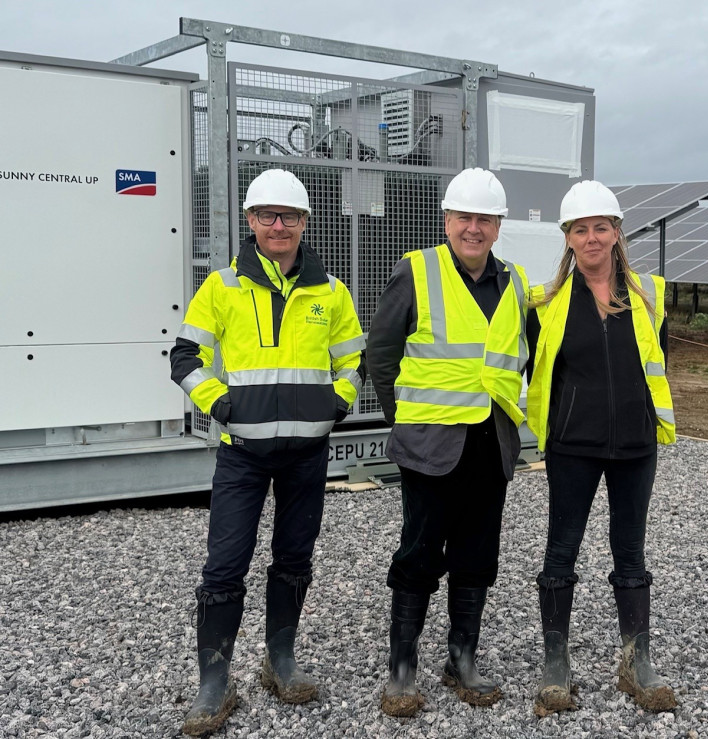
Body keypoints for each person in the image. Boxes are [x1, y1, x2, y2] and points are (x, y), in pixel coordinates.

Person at [169, 169, 365, 736]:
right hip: (242, 456)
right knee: (225, 566)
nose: (279, 226)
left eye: (290, 216)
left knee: (294, 560)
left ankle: (280, 661)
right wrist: (220, 404)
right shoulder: (222, 286)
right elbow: (185, 357)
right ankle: (214, 681)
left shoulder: (331, 292)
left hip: (307, 455)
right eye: (268, 216)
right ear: (250, 221)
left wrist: (338, 403)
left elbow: (353, 362)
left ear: (305, 223)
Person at [367, 167, 529, 717]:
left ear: (499, 225)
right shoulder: (417, 271)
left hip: (492, 444)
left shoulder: (514, 282)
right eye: (465, 217)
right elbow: (381, 355)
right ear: (447, 220)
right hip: (430, 447)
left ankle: (462, 657)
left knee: (478, 554)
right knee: (418, 553)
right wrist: (404, 421)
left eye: (485, 218)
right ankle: (403, 667)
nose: (474, 228)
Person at [526, 180, 677, 715]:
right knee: (560, 552)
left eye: (601, 228)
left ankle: (637, 662)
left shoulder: (648, 295)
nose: (592, 238)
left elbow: (658, 366)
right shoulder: (544, 304)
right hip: (573, 447)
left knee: (630, 554)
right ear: (567, 239)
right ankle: (555, 662)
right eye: (580, 230)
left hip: (636, 446)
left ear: (617, 233)